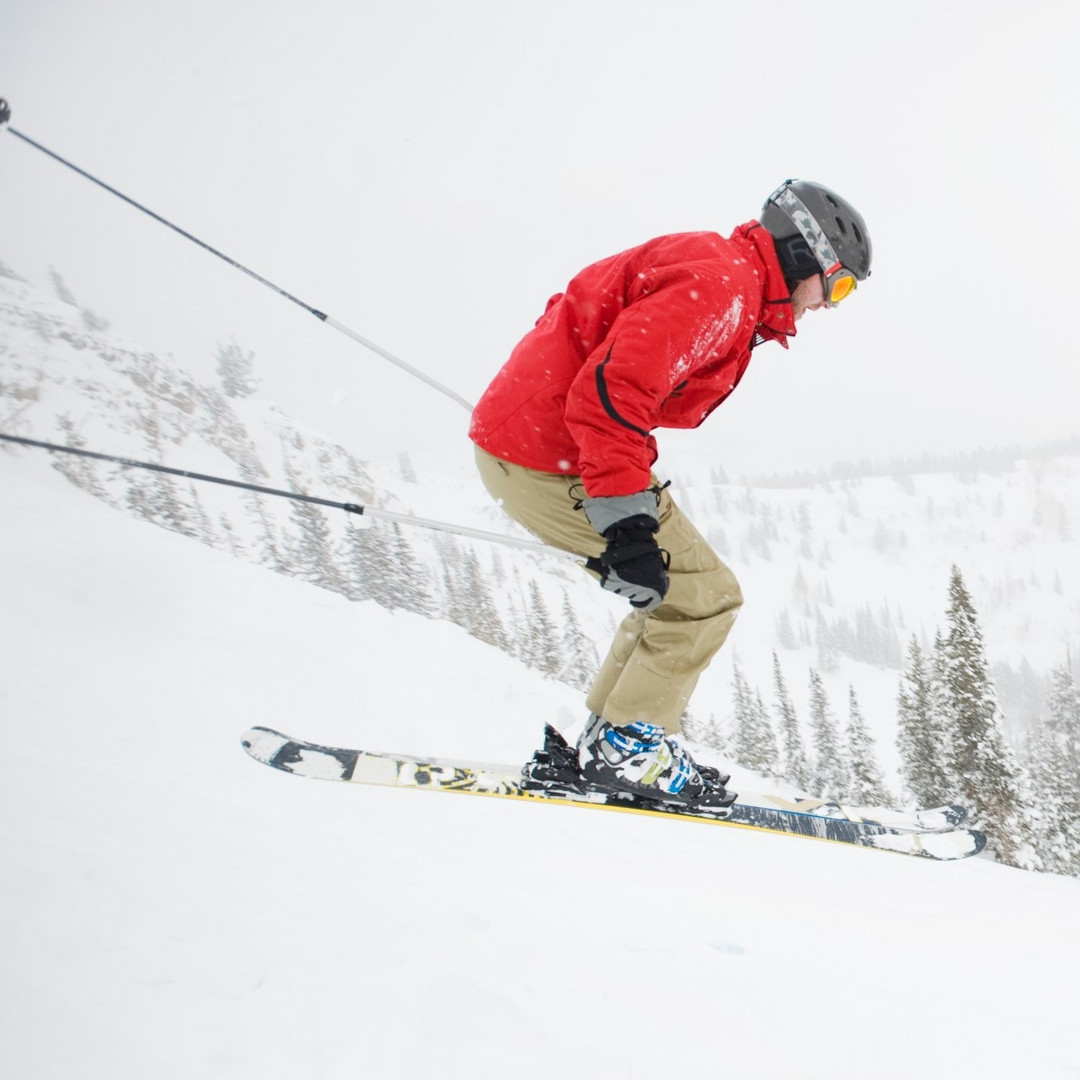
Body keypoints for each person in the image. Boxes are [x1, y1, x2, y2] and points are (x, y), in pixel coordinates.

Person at [469, 179, 871, 807]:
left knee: (676, 592)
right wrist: (627, 527)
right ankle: (629, 749)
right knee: (705, 600)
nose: (830, 306)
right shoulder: (722, 290)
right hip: (553, 458)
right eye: (839, 285)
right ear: (803, 255)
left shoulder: (724, 272)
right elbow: (610, 396)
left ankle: (615, 740)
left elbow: (590, 330)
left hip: (542, 443)